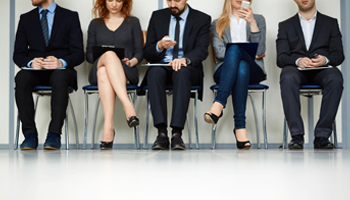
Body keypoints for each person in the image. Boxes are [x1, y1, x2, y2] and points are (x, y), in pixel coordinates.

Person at [13, 0, 84, 150]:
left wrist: (61, 62)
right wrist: (30, 62)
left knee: (59, 76)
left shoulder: (70, 17)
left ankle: (54, 134)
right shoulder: (25, 19)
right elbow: (18, 54)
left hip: (62, 72)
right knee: (21, 77)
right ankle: (30, 135)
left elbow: (78, 54)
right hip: (36, 72)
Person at [142, 0, 211, 150]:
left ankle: (176, 134)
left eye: (177, 0)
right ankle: (161, 134)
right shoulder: (157, 16)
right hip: (162, 64)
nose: (173, 4)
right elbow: (147, 52)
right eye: (169, 0)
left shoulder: (202, 19)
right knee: (154, 72)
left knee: (181, 72)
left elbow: (202, 50)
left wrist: (184, 59)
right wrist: (159, 46)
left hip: (187, 67)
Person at [276, 0, 344, 149]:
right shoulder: (285, 25)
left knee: (335, 77)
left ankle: (322, 136)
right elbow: (280, 59)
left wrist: (325, 60)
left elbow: (339, 55)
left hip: (323, 69)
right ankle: (296, 136)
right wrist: (298, 60)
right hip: (296, 70)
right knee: (287, 77)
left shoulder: (330, 23)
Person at [204, 0, 266, 149]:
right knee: (241, 65)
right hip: (224, 70)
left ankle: (218, 104)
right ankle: (240, 129)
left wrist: (252, 24)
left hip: (255, 71)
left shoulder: (258, 19)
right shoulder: (217, 23)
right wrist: (242, 53)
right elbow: (219, 53)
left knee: (235, 52)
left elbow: (260, 51)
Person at [86, 0, 142, 150]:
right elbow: (89, 56)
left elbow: (139, 53)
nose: (114, 4)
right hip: (98, 66)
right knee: (109, 56)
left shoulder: (133, 22)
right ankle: (128, 107)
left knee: (104, 72)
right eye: (110, 0)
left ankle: (108, 127)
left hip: (126, 71)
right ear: (103, 1)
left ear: (125, 1)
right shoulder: (95, 24)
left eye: (118, 0)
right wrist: (107, 56)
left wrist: (131, 62)